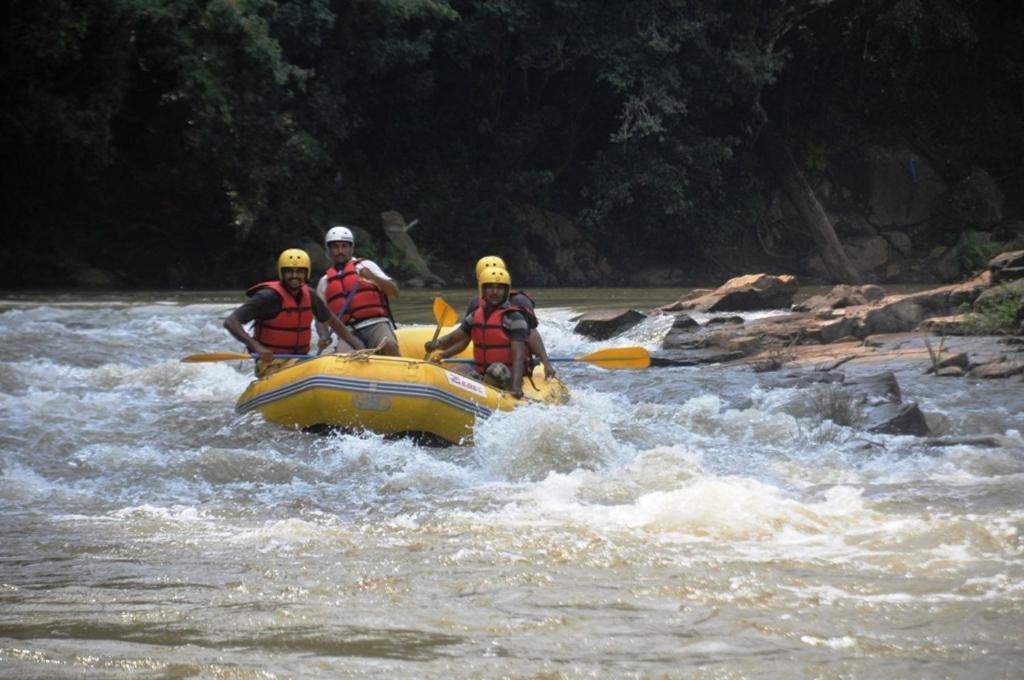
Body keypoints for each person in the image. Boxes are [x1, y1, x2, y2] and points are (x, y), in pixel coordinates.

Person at [224, 248, 363, 376]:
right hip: (271, 363)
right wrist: (256, 346)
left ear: (306, 273)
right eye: (289, 271)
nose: (294, 276)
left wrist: (359, 347)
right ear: (282, 273)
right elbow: (231, 322)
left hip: (299, 361)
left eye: (299, 272)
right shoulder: (267, 297)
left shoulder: (309, 294)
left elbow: (333, 321)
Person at [424, 267, 530, 398]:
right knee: (460, 369)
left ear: (506, 291)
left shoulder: (514, 318)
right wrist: (437, 343)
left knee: (495, 370)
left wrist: (516, 386)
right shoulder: (475, 316)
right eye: (490, 287)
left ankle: (484, 395)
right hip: (482, 373)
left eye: (499, 288)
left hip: (505, 375)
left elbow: (518, 355)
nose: (495, 292)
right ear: (483, 290)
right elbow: (454, 337)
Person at [444, 255, 556, 379]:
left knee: (495, 373)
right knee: (457, 370)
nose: (494, 290)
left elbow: (532, 334)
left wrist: (546, 363)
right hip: (485, 366)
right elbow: (466, 338)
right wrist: (443, 355)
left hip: (510, 367)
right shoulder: (476, 305)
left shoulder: (519, 301)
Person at [315, 225, 400, 356]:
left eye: (344, 246)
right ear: (329, 250)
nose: (340, 251)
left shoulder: (366, 266)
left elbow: (394, 292)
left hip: (375, 324)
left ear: (351, 248)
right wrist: (323, 335)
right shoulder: (324, 281)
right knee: (342, 359)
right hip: (347, 332)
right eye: (335, 247)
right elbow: (320, 317)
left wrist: (372, 277)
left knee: (389, 345)